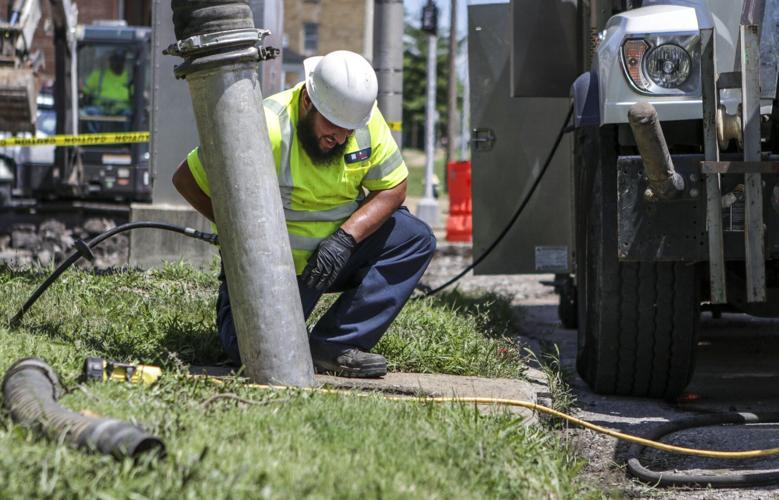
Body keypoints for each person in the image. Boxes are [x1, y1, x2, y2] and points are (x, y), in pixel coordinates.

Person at [172, 50, 436, 378]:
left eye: (348, 130)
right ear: (308, 102)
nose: (341, 137)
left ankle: (333, 345)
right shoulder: (265, 125)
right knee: (254, 355)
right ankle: (266, 336)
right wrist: (245, 235)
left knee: (413, 238)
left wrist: (345, 239)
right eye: (333, 125)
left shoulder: (363, 122)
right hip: (272, 271)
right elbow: (186, 179)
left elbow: (394, 188)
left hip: (335, 258)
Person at [82, 50, 131, 117]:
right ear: (110, 61)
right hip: (99, 110)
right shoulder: (97, 75)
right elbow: (84, 93)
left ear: (124, 62)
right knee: (89, 111)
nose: (118, 63)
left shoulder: (130, 78)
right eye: (115, 60)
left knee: (130, 114)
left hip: (123, 112)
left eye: (120, 60)